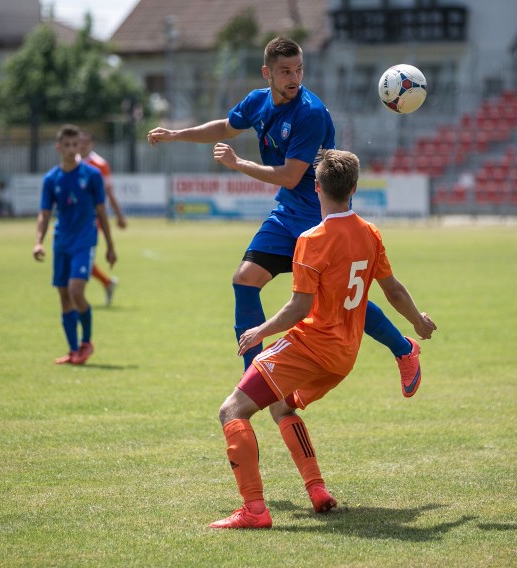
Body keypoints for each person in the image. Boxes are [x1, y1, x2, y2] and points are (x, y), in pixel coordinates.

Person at [148, 37, 423, 398]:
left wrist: (237, 164)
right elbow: (226, 127)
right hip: (287, 213)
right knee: (244, 280)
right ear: (268, 73)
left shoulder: (309, 113)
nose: (294, 78)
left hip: (321, 216)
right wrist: (175, 134)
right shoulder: (257, 101)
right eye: (285, 71)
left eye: (298, 70)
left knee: (339, 298)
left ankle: (404, 350)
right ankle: (254, 374)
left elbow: (291, 176)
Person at [208, 150, 437, 529]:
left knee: (231, 411)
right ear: (355, 189)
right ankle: (316, 490)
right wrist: (418, 322)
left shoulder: (312, 239)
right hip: (344, 356)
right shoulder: (370, 233)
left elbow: (299, 308)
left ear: (316, 188)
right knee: (281, 407)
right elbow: (392, 290)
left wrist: (259, 332)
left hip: (311, 347)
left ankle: (254, 511)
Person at [33, 124, 117, 365]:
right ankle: (72, 350)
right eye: (67, 145)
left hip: (85, 241)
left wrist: (110, 246)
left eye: (75, 145)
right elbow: (44, 213)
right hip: (61, 242)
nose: (72, 149)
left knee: (76, 291)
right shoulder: (51, 179)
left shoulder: (91, 175)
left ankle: (86, 343)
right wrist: (38, 242)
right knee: (64, 296)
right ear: (58, 147)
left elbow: (102, 212)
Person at [79, 130, 127, 306]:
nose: (82, 145)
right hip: (72, 219)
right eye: (79, 141)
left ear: (91, 144)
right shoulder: (71, 163)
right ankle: (107, 283)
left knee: (81, 257)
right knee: (76, 256)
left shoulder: (100, 164)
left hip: (92, 219)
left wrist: (119, 216)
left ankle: (77, 298)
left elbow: (109, 192)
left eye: (85, 141)